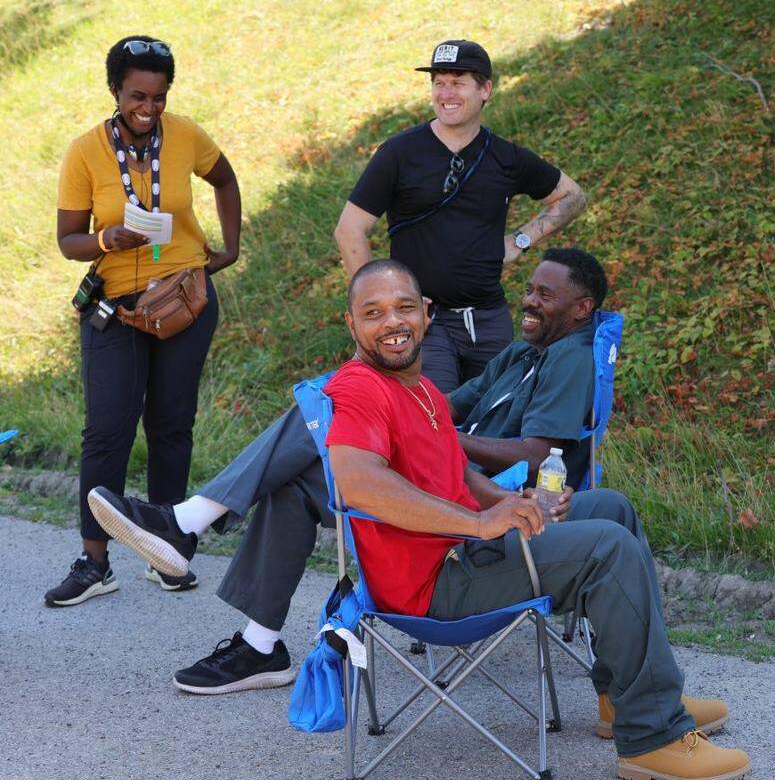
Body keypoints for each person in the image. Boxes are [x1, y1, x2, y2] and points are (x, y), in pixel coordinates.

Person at [88, 249, 610, 695]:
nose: (528, 301)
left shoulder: (569, 359)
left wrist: (434, 436)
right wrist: (396, 415)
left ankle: (191, 529)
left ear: (582, 308)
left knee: (322, 416)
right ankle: (258, 642)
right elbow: (444, 405)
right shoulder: (520, 355)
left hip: (467, 483)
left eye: (545, 295)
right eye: (530, 289)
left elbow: (540, 455)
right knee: (302, 466)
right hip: (434, 459)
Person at [333, 261, 751, 780]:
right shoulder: (362, 390)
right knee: (606, 548)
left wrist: (517, 498)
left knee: (608, 507)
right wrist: (480, 523)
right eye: (373, 313)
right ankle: (654, 737)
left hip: (459, 549)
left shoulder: (418, 389)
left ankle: (621, 695)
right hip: (432, 581)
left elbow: (453, 469)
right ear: (351, 323)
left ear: (426, 313)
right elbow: (360, 484)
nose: (392, 321)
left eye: (403, 307)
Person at [46, 35, 242, 607]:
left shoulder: (186, 135)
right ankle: (94, 560)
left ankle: (169, 551)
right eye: (137, 95)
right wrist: (108, 237)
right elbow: (68, 241)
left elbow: (224, 178)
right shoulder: (85, 151)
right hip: (116, 305)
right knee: (106, 430)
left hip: (182, 298)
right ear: (115, 91)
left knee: (171, 424)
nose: (148, 108)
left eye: (158, 96)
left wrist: (229, 246)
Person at [334, 39, 587, 393]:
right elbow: (349, 231)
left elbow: (572, 197)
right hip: (426, 324)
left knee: (493, 421)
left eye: (458, 82)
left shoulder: (506, 158)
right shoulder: (399, 153)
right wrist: (385, 303)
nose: (445, 92)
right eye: (438, 82)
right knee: (436, 419)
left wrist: (520, 240)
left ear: (485, 89)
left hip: (489, 321)